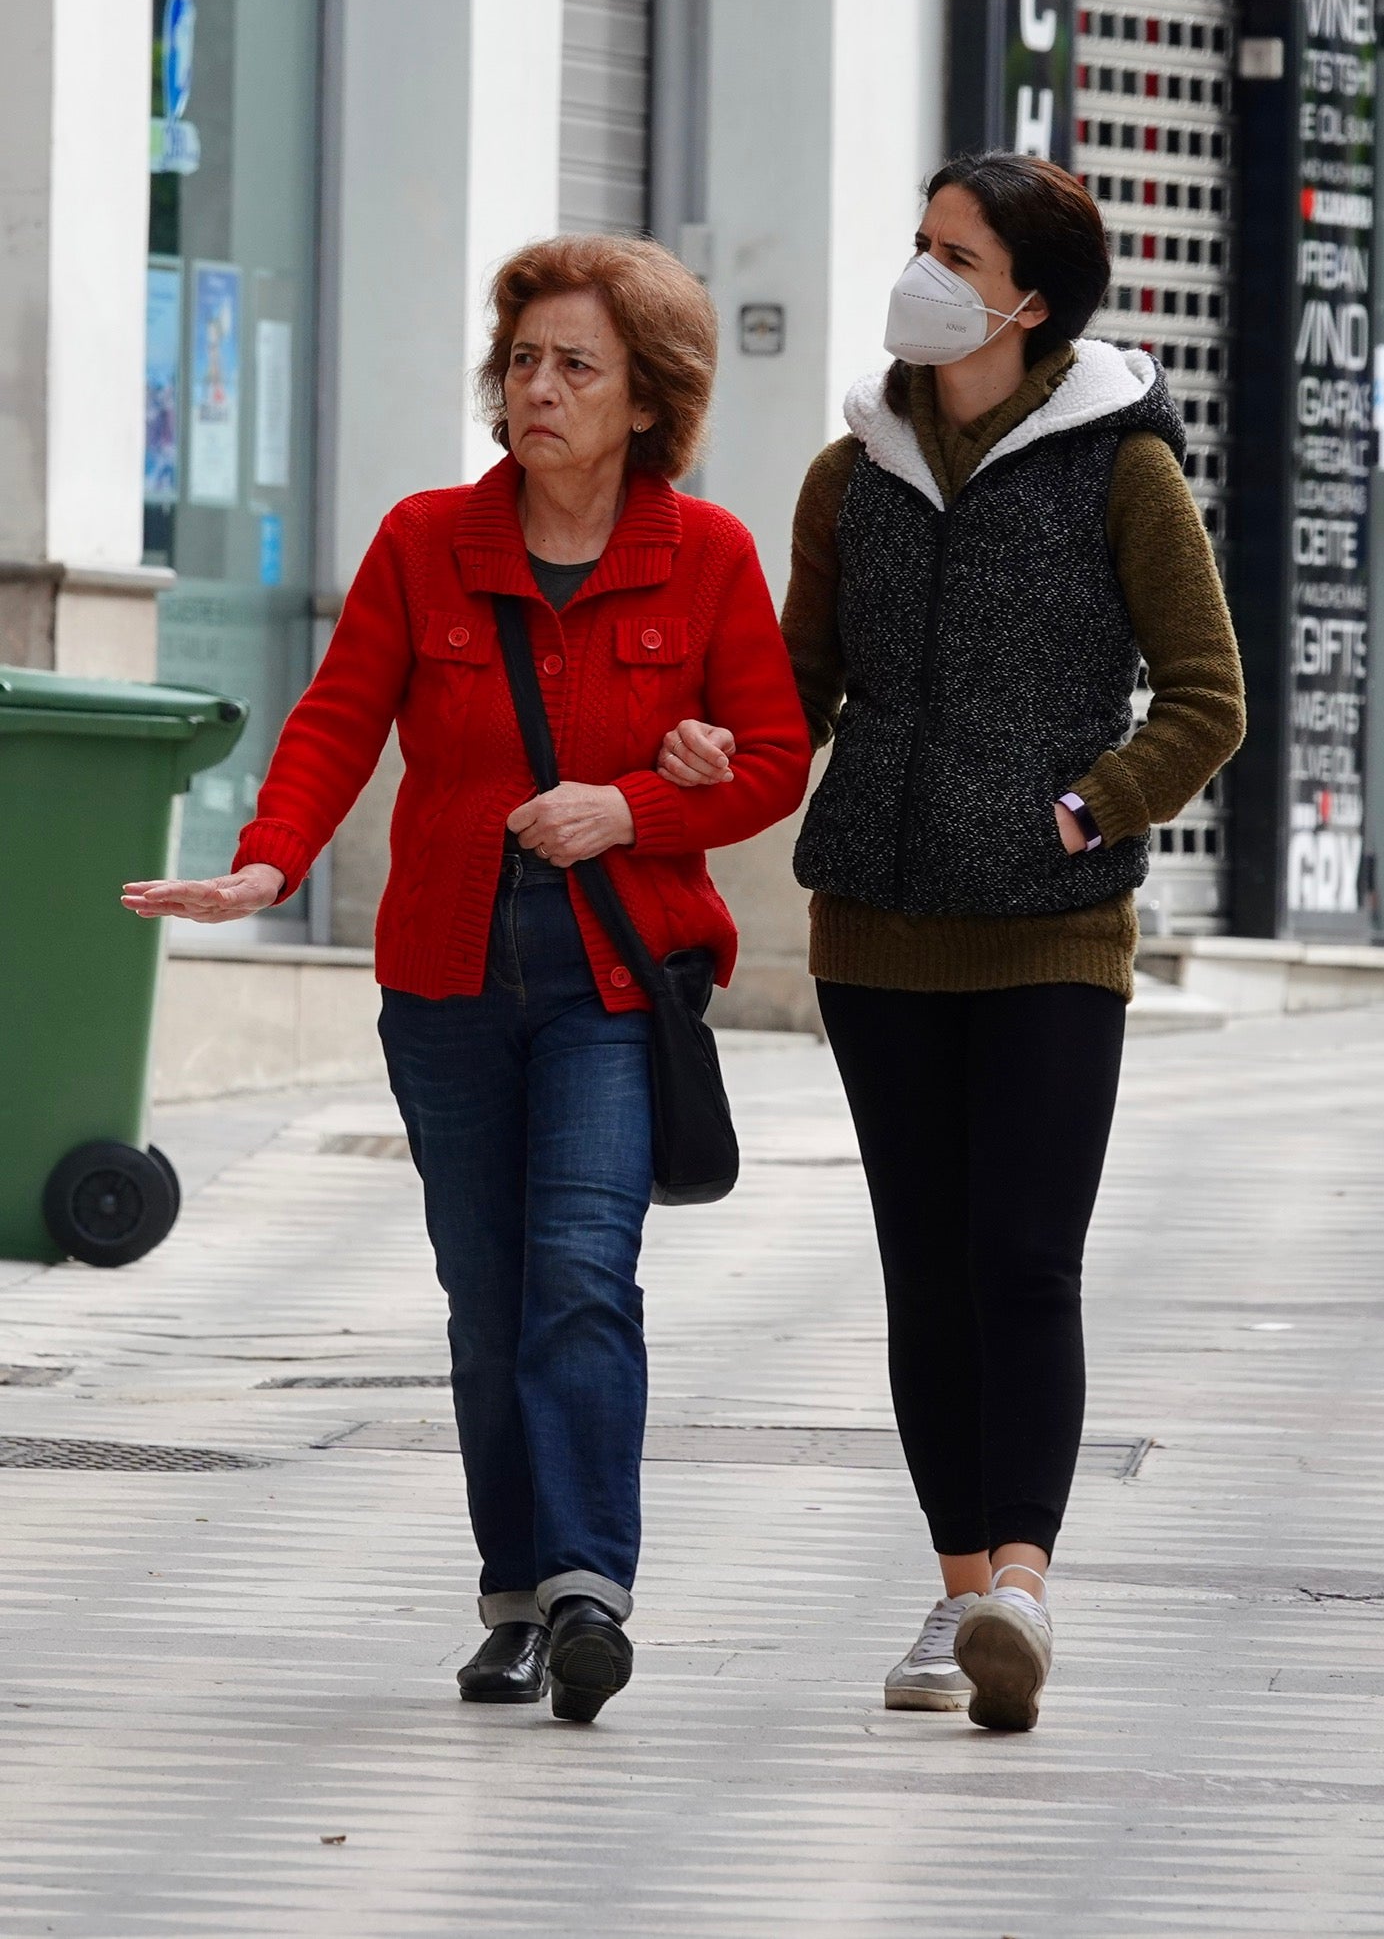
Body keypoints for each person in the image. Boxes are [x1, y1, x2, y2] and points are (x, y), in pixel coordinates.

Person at [123, 234, 811, 1723]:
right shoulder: (425, 538)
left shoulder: (705, 559)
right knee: (484, 1293)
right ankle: (514, 1592)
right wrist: (266, 861)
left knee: (576, 1273)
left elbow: (770, 757)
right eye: (522, 361)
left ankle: (585, 1588)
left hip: (609, 980)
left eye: (577, 365)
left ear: (647, 401)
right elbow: (334, 719)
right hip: (443, 969)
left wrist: (638, 804)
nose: (538, 387)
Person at [657, 151, 1245, 1732]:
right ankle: (956, 1592)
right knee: (925, 1267)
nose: (917, 270)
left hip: (1054, 931)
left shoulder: (1119, 468)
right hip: (875, 928)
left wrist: (1082, 810)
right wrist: (723, 742)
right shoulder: (849, 472)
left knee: (1021, 1258)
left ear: (1027, 301)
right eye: (917, 241)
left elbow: (1207, 696)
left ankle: (1024, 1586)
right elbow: (799, 688)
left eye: (951, 250)